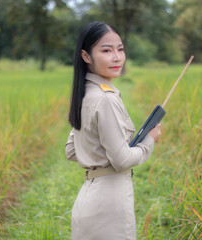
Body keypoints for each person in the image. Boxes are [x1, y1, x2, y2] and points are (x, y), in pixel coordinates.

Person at [65, 21, 162, 240]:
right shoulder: (105, 99)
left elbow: (72, 150)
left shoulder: (86, 94)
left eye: (120, 49)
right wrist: (149, 140)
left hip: (88, 201)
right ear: (86, 56)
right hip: (109, 205)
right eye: (107, 50)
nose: (117, 57)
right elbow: (121, 160)